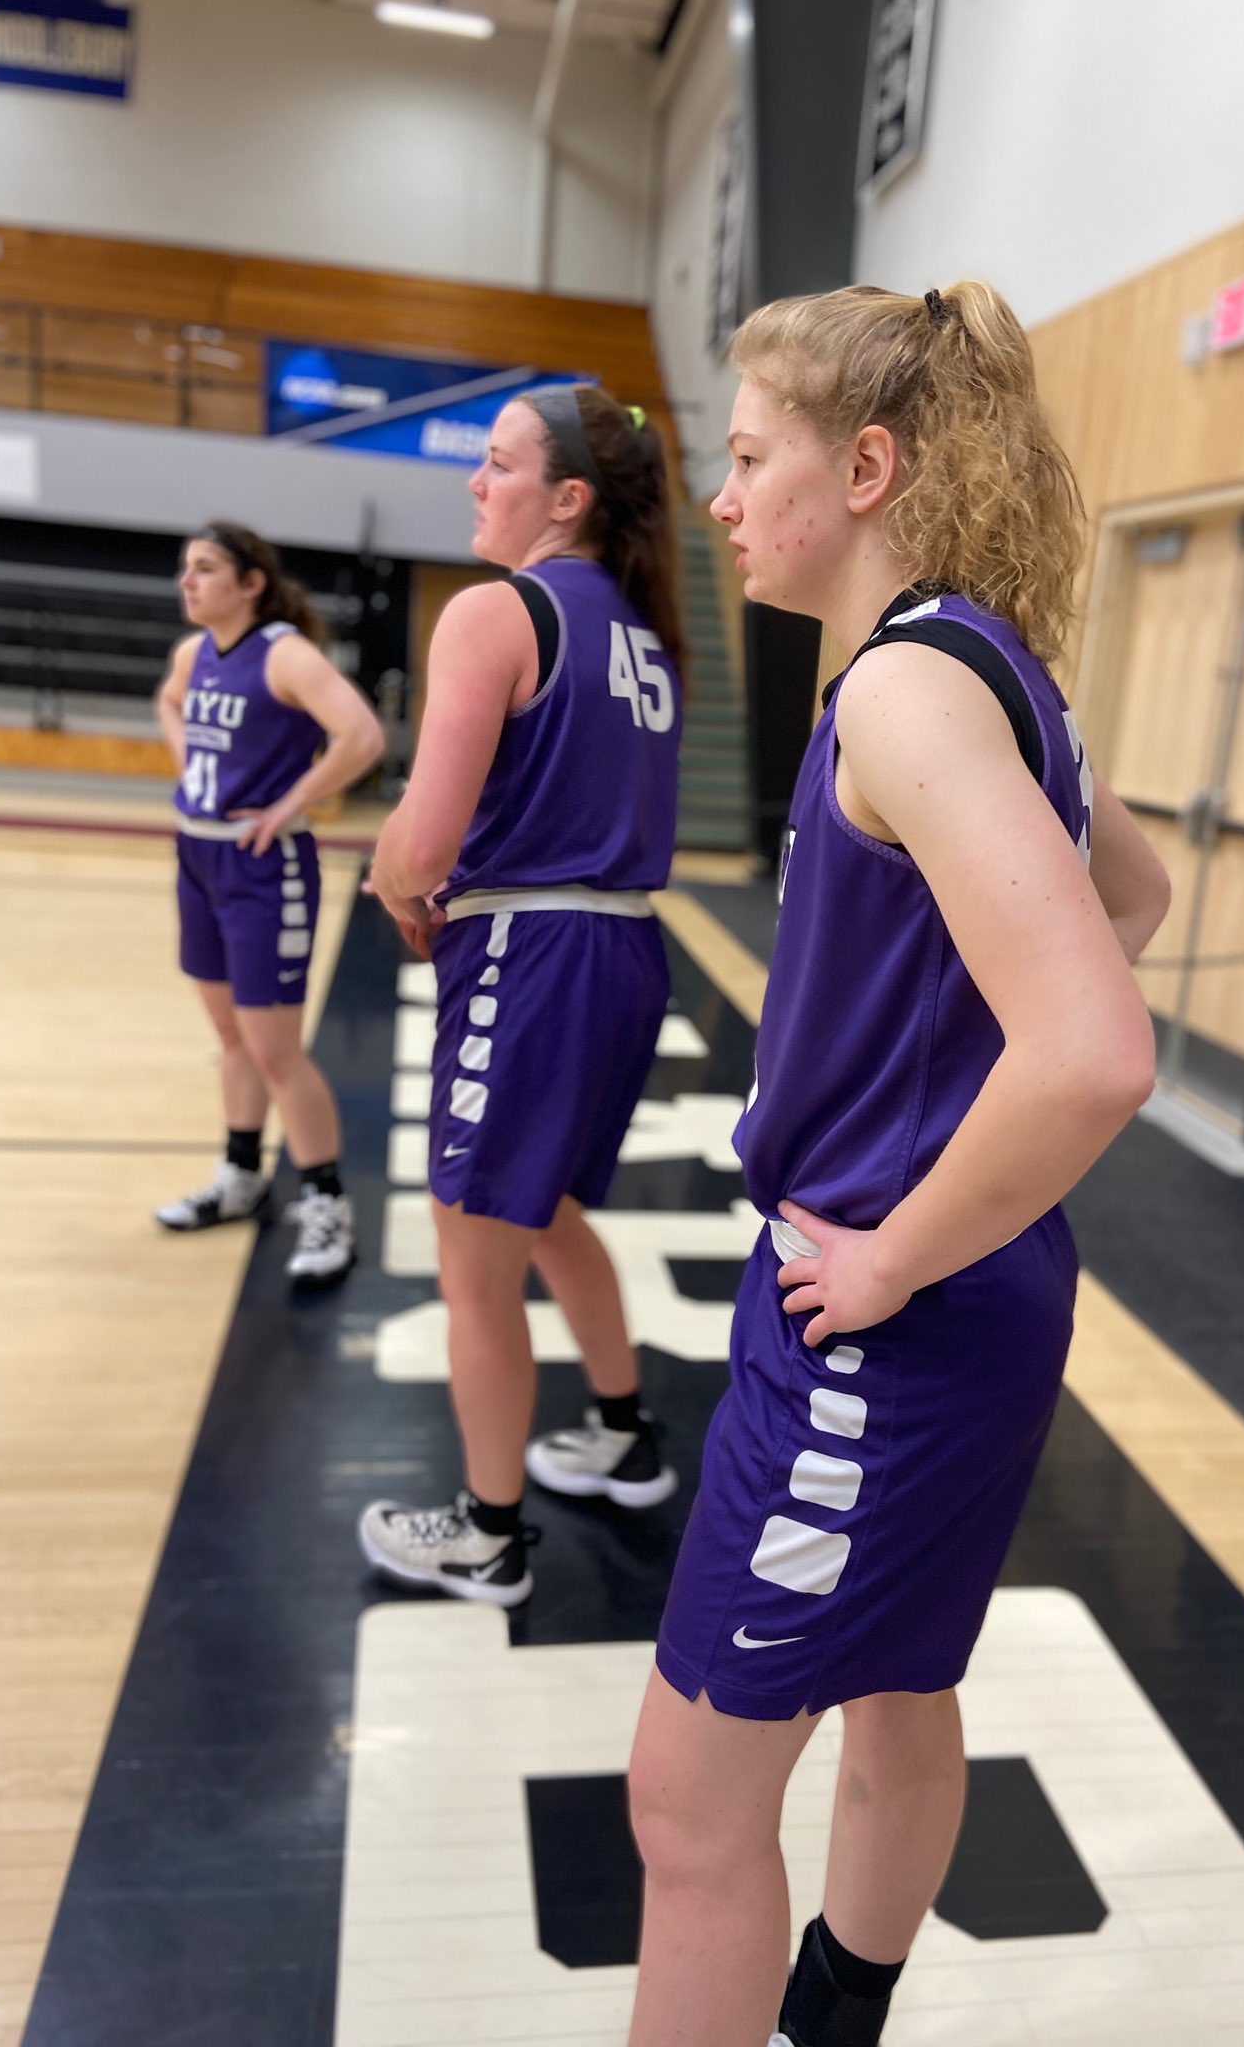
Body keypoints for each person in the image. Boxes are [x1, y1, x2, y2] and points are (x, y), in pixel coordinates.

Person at [626, 285, 1172, 2047]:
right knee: (898, 1682)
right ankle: (832, 2020)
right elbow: (1133, 891)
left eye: (749, 455)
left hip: (895, 1302)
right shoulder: (977, 660)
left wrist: (891, 1250)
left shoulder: (908, 696)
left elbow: (1093, 1046)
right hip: (967, 1289)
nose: (719, 496)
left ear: (864, 467)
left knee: (689, 1803)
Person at [357, 384, 685, 1606]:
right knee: (546, 1214)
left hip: (531, 957)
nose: (473, 483)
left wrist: (397, 879)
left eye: (494, 464)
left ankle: (489, 1533)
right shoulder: (650, 633)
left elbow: (419, 849)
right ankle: (623, 1431)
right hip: (625, 954)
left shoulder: (497, 614)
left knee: (475, 1264)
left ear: (567, 497)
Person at [154, 521, 385, 1286]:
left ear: (250, 583)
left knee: (276, 1049)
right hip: (197, 852)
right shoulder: (195, 654)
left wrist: (290, 805)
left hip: (264, 866)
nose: (188, 581)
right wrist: (191, 763)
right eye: (186, 569)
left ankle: (327, 1207)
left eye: (206, 569)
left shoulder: (283, 652)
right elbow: (171, 701)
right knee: (230, 1037)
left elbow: (360, 735)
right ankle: (241, 1175)